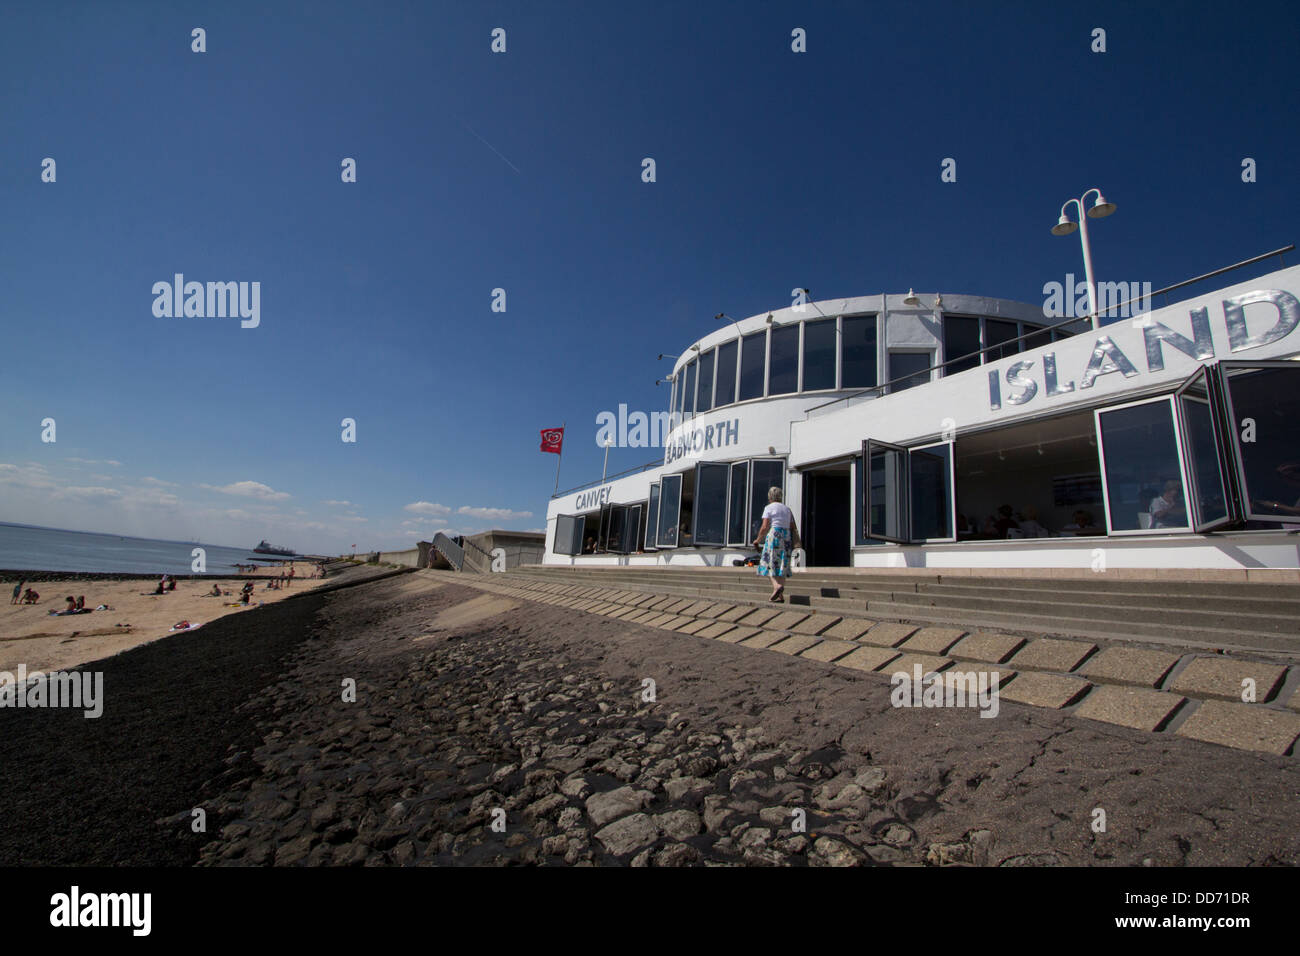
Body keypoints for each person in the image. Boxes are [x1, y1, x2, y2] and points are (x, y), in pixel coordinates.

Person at [752, 486, 798, 602]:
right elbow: (793, 526)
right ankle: (780, 594)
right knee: (782, 564)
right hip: (786, 537)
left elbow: (764, 527)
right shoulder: (787, 509)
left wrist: (758, 540)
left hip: (775, 535)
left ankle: (776, 586)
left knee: (767, 562)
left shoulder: (768, 508)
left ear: (770, 497)